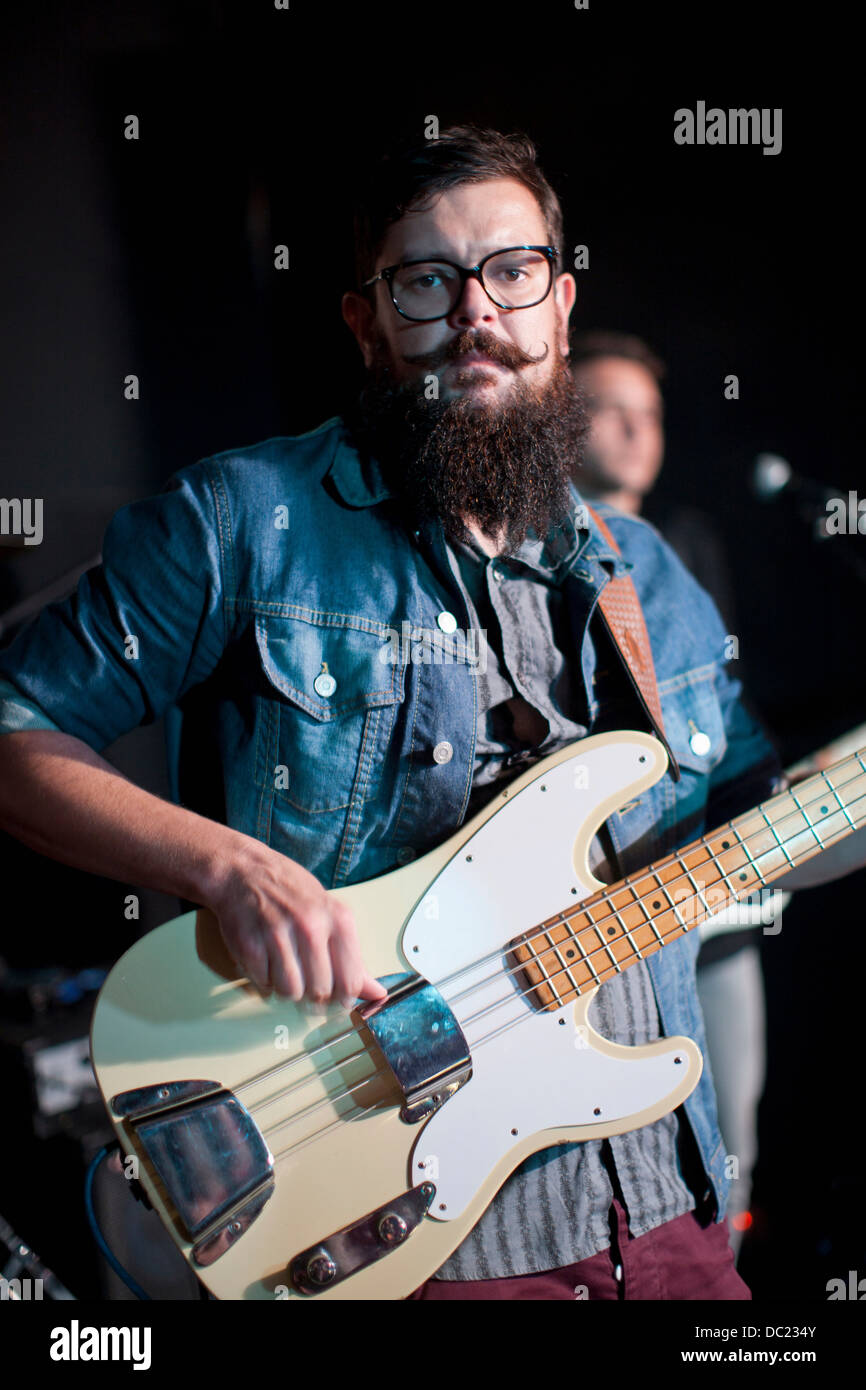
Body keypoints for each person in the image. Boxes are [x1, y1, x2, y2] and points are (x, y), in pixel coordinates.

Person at [0, 125, 854, 1300]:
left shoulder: (646, 571)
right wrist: (223, 867)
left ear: (557, 302)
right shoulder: (243, 523)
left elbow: (752, 824)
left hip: (667, 1220)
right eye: (423, 282)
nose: (472, 313)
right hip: (411, 1245)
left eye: (509, 272)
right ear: (364, 322)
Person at [569, 332, 774, 1257]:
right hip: (601, 934)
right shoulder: (534, 556)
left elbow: (722, 714)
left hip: (714, 907)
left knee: (731, 1137)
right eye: (610, 408)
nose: (635, 431)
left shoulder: (680, 547)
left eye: (649, 415)